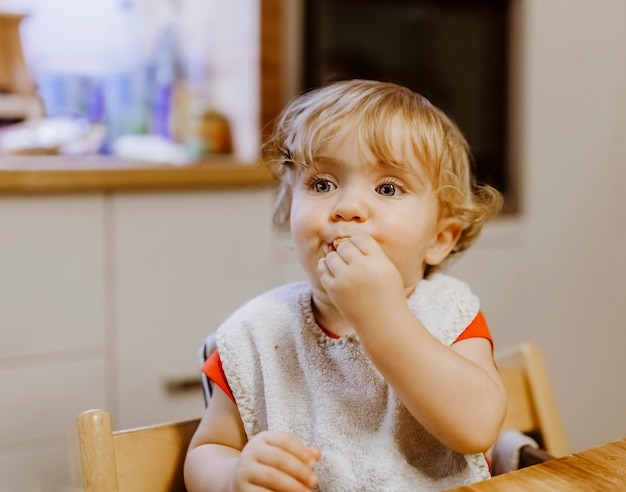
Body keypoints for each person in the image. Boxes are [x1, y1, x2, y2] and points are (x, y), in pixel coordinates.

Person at [184, 79, 507, 491]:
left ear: (439, 239)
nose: (348, 208)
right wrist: (233, 476)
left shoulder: (449, 313)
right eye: (322, 184)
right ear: (289, 209)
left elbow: (477, 428)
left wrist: (382, 316)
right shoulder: (258, 332)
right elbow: (206, 450)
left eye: (388, 188)